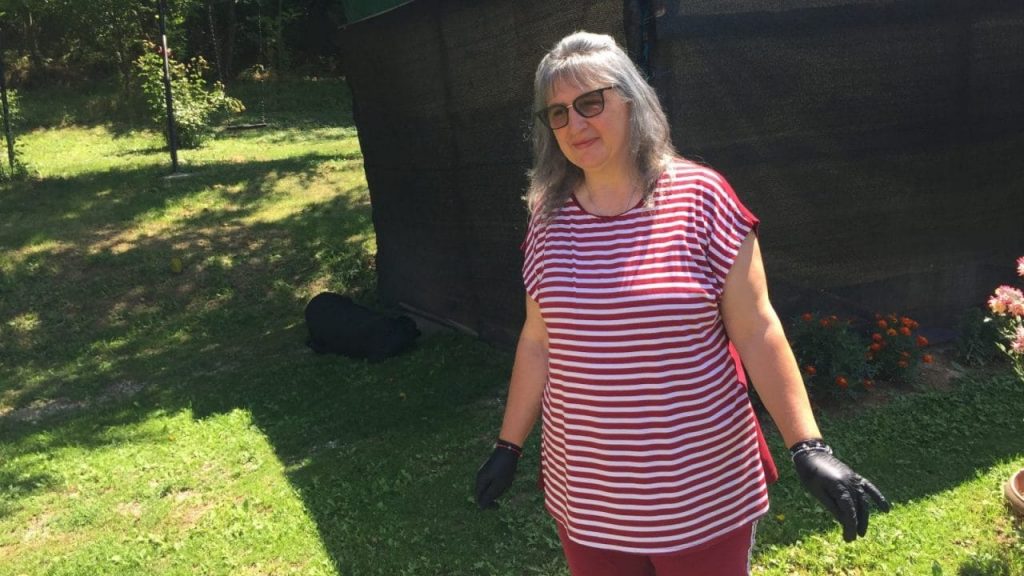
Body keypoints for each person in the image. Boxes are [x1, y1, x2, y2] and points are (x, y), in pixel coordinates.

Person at [474, 31, 889, 575]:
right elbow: (538, 340)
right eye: (557, 113)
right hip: (590, 496)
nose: (574, 125)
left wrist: (807, 446)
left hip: (700, 494)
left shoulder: (701, 198)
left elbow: (757, 328)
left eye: (590, 102)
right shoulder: (548, 219)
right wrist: (510, 445)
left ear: (631, 100)